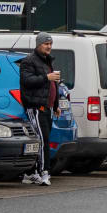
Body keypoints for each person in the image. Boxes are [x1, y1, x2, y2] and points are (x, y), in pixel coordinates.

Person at [18, 34, 63, 186]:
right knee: (43, 140)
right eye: (46, 44)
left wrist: (56, 105)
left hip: (47, 108)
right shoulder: (29, 60)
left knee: (42, 140)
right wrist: (46, 77)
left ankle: (30, 173)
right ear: (38, 44)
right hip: (36, 107)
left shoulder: (48, 60)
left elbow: (53, 85)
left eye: (50, 44)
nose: (49, 47)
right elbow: (27, 81)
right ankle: (45, 173)